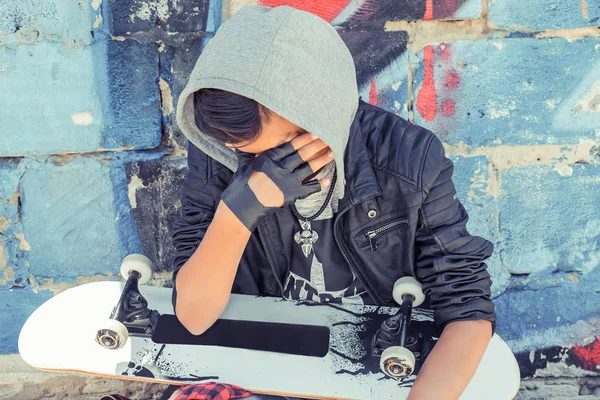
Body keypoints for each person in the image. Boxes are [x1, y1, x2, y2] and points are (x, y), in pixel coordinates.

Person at [171, 5, 496, 400]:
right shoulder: (218, 156)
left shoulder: (408, 159)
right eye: (245, 153)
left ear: (319, 113)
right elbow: (193, 315)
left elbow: (466, 312)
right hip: (263, 366)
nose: (265, 165)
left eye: (281, 152)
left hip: (373, 373)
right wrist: (241, 207)